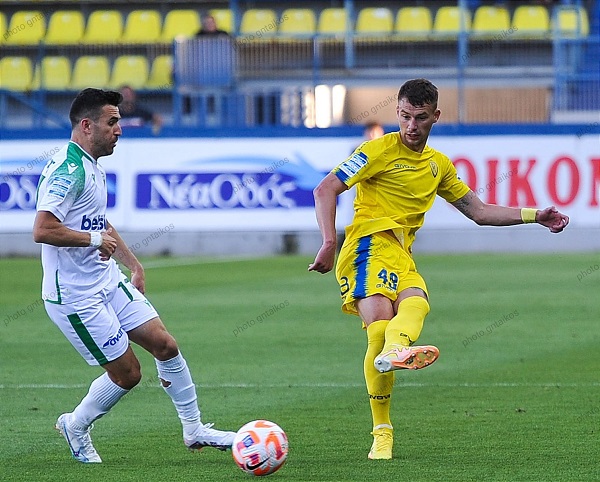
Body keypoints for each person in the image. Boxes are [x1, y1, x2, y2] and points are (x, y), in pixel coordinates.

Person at [308, 78, 569, 461]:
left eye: (420, 117)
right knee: (379, 327)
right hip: (366, 247)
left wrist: (534, 216)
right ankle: (382, 432)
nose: (411, 126)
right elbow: (325, 189)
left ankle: (395, 350)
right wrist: (329, 242)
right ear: (397, 112)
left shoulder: (438, 165)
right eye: (404, 116)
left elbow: (479, 211)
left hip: (401, 253)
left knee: (417, 303)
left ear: (435, 116)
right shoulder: (376, 150)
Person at [33, 88, 235, 463]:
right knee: (128, 374)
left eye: (119, 121)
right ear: (86, 125)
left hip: (106, 280)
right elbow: (43, 229)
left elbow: (98, 221)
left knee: (165, 345)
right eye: (112, 122)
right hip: (74, 296)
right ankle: (76, 424)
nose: (119, 129)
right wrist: (93, 240)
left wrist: (133, 263)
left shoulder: (92, 166)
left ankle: (194, 430)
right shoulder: (67, 169)